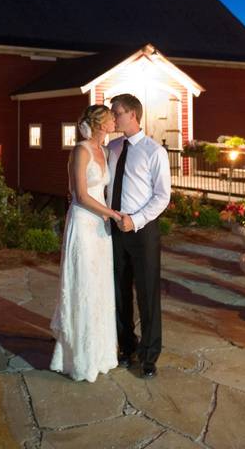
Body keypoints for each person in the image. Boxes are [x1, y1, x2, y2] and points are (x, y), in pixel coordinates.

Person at [50, 105, 124, 382]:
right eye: (110, 116)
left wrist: (108, 217)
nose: (114, 119)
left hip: (100, 227)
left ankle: (101, 353)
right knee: (83, 285)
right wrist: (112, 214)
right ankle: (78, 358)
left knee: (100, 287)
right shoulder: (81, 150)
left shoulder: (104, 151)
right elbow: (80, 194)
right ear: (100, 123)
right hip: (83, 224)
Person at [107, 93, 171, 379]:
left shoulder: (154, 151)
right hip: (115, 231)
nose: (113, 117)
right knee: (120, 292)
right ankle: (127, 347)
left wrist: (136, 219)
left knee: (147, 294)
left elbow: (162, 196)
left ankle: (149, 356)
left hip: (143, 232)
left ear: (132, 114)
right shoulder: (113, 147)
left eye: (116, 112)